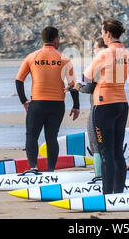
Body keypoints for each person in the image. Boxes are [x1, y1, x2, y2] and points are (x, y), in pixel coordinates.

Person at [15, 26, 80, 172]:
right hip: (57, 105)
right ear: (56, 39)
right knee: (51, 137)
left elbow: (19, 80)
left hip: (37, 104)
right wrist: (76, 105)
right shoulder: (64, 59)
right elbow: (72, 85)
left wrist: (24, 101)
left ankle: (33, 167)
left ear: (43, 39)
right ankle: (50, 170)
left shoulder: (32, 57)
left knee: (32, 135)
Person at [82, 19, 129, 194]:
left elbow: (86, 78)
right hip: (122, 104)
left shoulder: (104, 54)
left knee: (106, 154)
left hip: (104, 105)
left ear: (108, 34)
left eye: (103, 32)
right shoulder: (126, 53)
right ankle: (118, 193)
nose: (102, 35)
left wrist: (78, 86)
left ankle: (107, 195)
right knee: (118, 152)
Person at [68, 38, 107, 178]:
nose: (93, 50)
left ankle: (99, 177)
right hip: (116, 104)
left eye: (95, 48)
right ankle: (112, 175)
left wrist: (78, 87)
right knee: (110, 145)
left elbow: (90, 87)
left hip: (98, 108)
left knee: (96, 145)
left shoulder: (99, 62)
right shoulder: (116, 60)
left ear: (102, 48)